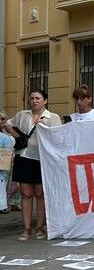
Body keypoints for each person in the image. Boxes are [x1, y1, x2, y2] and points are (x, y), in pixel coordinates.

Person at [5, 89, 62, 240]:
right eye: (31, 98)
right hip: (24, 158)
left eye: (38, 98)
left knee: (40, 195)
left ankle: (40, 228)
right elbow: (7, 124)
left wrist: (43, 127)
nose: (34, 101)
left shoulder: (53, 117)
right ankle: (26, 229)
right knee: (26, 194)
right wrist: (15, 133)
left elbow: (58, 138)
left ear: (45, 101)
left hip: (42, 160)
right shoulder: (22, 115)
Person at [0, 112, 15, 214]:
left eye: (2, 119)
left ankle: (3, 205)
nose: (0, 121)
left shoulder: (7, 135)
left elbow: (10, 149)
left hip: (5, 162)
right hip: (4, 161)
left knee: (2, 182)